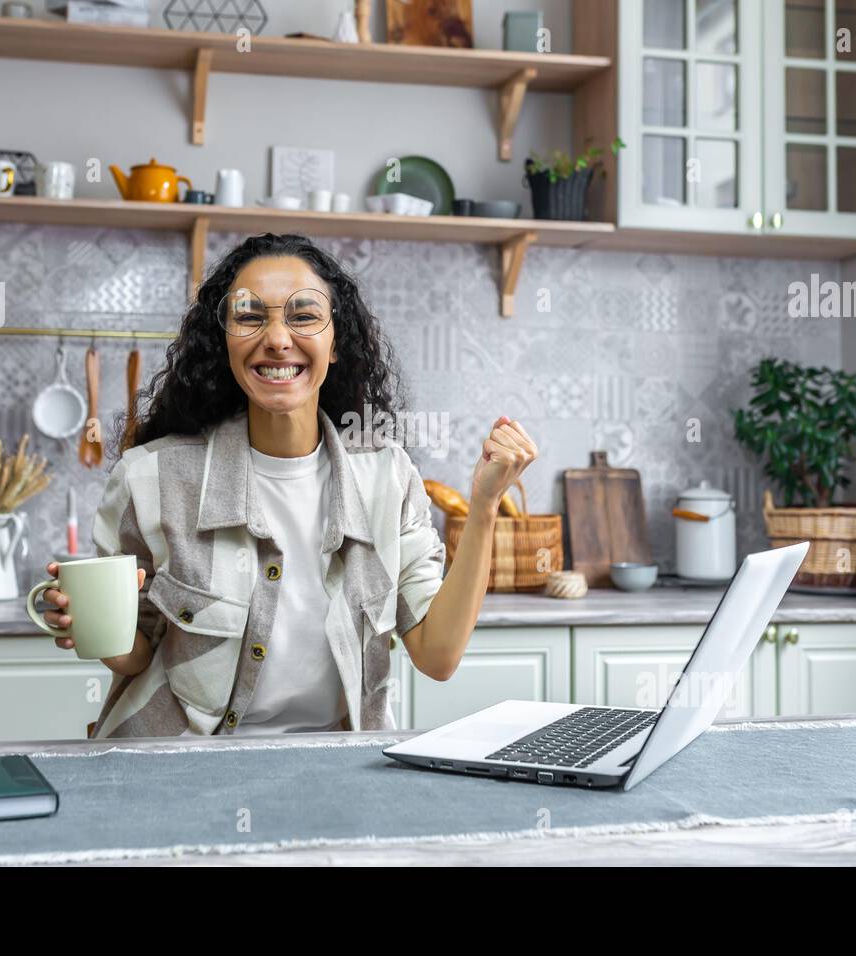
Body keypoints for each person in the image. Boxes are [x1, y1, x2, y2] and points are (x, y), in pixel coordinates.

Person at [40, 233, 537, 737]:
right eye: (250, 317)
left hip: (335, 770)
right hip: (181, 768)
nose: (277, 338)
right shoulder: (151, 478)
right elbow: (136, 654)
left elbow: (438, 656)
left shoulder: (389, 477)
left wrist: (485, 504)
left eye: (302, 316)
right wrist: (96, 629)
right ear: (225, 342)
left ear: (335, 343)